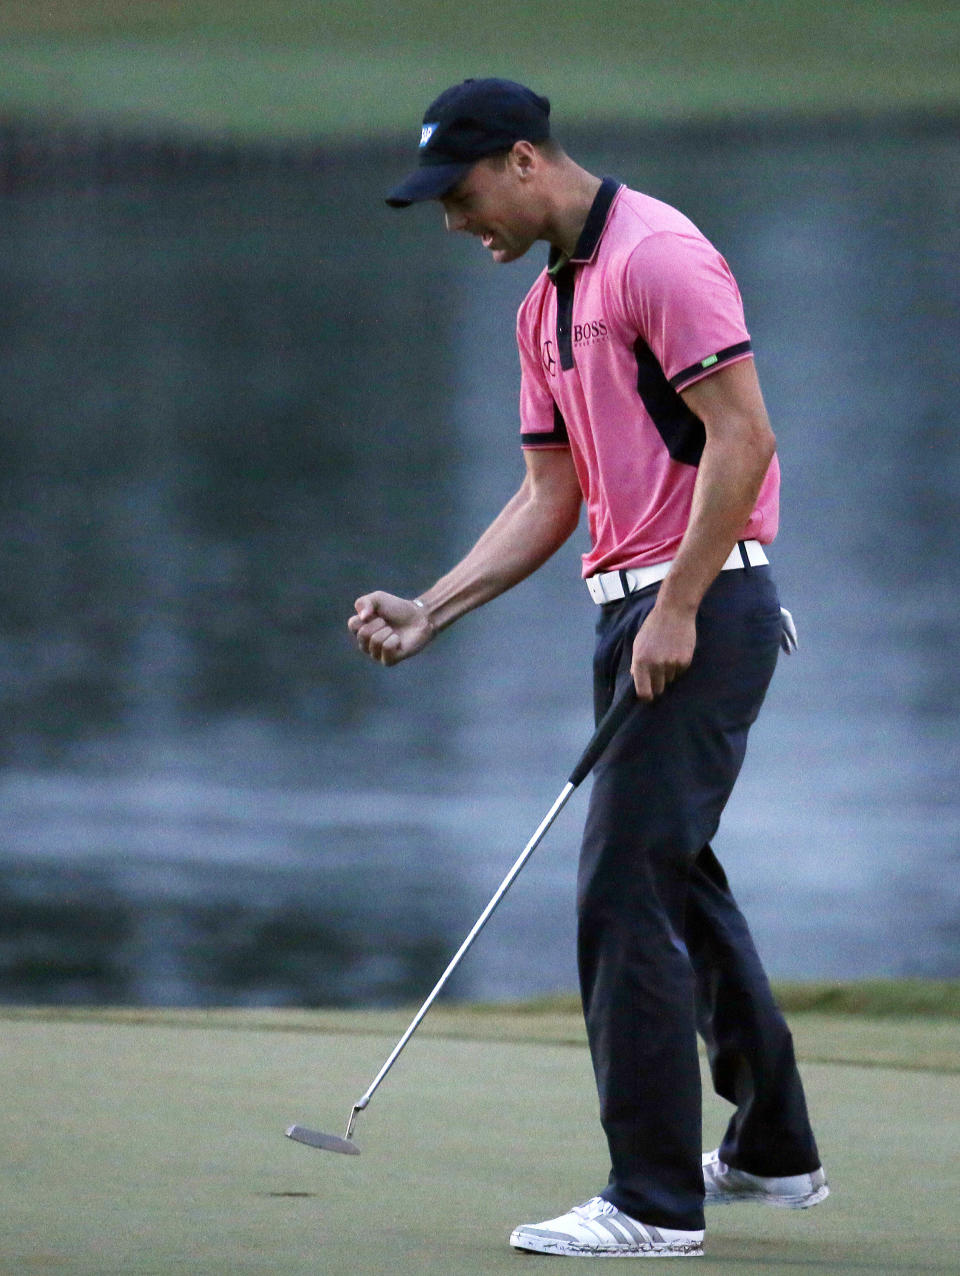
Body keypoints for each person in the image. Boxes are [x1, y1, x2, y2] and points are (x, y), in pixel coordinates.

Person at [348, 77, 827, 1260]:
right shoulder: (544, 308)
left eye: (460, 198)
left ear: (522, 160)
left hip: (701, 606)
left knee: (621, 891)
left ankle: (655, 1202)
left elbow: (745, 433)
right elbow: (547, 494)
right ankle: (771, 1146)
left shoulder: (658, 256)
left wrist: (679, 604)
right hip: (641, 613)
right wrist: (433, 608)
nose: (460, 226)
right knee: (674, 876)